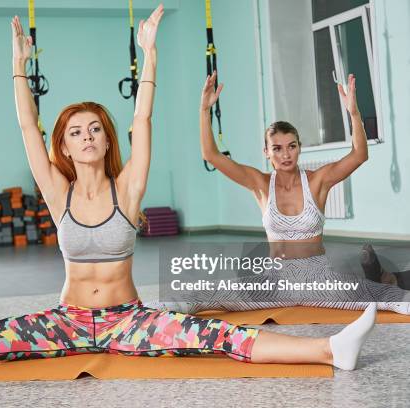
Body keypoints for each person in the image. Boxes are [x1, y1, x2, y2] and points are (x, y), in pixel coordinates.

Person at [0, 6, 377, 382]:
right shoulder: (55, 189)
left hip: (131, 318)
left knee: (220, 335)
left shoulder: (128, 187)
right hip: (68, 318)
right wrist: (17, 68)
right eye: (75, 132)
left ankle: (330, 350)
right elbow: (28, 131)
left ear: (107, 139)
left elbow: (144, 116)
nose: (86, 137)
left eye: (95, 129)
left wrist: (148, 54)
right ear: (65, 143)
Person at [147, 72, 410, 315]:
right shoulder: (260, 184)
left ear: (299, 147)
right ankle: (143, 315)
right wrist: (204, 110)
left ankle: (388, 280)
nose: (285, 154)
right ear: (267, 152)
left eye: (291, 146)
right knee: (198, 294)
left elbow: (359, 155)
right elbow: (211, 155)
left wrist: (354, 114)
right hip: (273, 282)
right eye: (277, 148)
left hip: (319, 281)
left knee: (388, 297)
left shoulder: (317, 181)